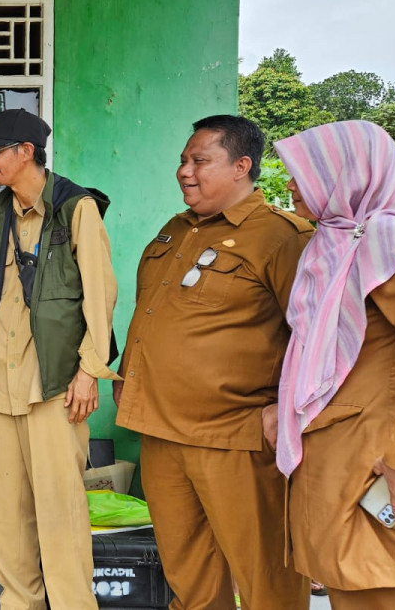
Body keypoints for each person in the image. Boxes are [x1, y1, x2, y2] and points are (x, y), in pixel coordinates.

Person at [114, 114, 312, 610]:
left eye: (200, 161)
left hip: (234, 437)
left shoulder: (283, 237)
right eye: (183, 160)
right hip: (160, 430)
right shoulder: (176, 229)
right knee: (188, 573)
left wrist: (288, 409)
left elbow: (317, 336)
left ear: (241, 166)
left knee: (265, 575)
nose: (184, 171)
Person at [0, 108, 119, 609]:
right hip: (3, 380)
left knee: (59, 508)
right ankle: (20, 602)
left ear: (26, 151)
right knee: (6, 511)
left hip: (54, 381)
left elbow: (100, 295)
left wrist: (89, 371)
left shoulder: (75, 207)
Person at [272, 120, 395, 609]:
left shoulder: (390, 241)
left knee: (380, 586)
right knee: (351, 583)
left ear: (346, 174)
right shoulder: (337, 240)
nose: (290, 183)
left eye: (304, 172)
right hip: (344, 453)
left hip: (379, 461)